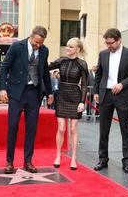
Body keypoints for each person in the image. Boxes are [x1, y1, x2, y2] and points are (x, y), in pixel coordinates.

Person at [0, 26, 54, 174]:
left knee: (31, 128)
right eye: (36, 42)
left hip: (33, 93)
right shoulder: (17, 46)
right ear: (31, 36)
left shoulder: (44, 50)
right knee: (13, 126)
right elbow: (4, 67)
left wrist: (49, 92)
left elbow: (45, 73)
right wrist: (2, 88)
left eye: (40, 43)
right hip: (16, 93)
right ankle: (9, 162)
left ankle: (28, 161)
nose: (38, 45)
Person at [93, 28, 128, 174]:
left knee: (125, 130)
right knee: (103, 130)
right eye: (106, 43)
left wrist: (122, 84)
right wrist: (96, 92)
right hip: (105, 95)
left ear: (119, 40)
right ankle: (103, 159)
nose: (109, 46)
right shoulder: (103, 54)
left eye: (111, 43)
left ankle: (126, 162)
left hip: (123, 95)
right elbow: (99, 75)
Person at [49, 37, 88, 170]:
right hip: (62, 95)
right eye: (67, 46)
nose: (67, 48)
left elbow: (84, 84)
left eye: (71, 47)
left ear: (77, 49)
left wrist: (82, 102)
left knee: (73, 129)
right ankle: (58, 155)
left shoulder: (82, 64)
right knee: (61, 128)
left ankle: (73, 157)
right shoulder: (61, 60)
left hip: (75, 96)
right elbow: (46, 67)